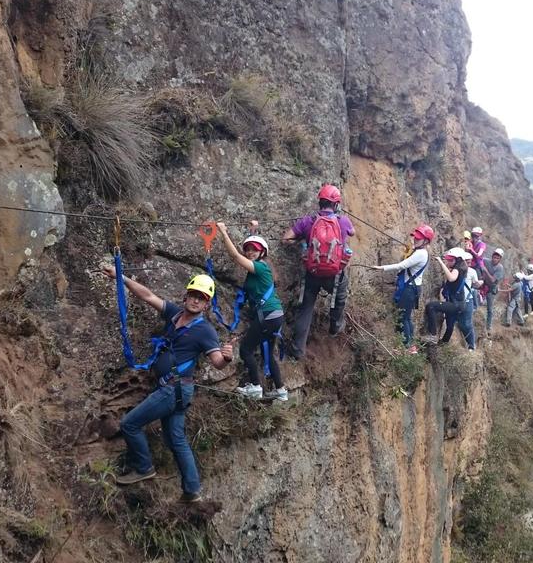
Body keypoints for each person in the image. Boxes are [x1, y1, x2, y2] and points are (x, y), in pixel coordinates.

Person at [101, 266, 234, 503]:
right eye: (193, 294)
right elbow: (148, 295)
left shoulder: (205, 331)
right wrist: (121, 277)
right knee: (176, 439)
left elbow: (217, 363)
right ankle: (192, 491)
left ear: (206, 305)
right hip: (176, 389)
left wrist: (226, 357)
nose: (195, 300)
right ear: (186, 296)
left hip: (173, 390)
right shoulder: (174, 314)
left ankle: (144, 468)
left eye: (201, 298)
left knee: (129, 424)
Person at [216, 221, 288, 402]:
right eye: (247, 249)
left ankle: (255, 387)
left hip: (268, 314)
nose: (250, 252)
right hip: (274, 315)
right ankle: (280, 390)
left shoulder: (261, 267)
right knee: (267, 353)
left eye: (254, 249)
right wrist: (253, 230)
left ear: (263, 252)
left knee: (246, 349)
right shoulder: (261, 267)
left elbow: (235, 257)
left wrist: (224, 232)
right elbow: (252, 249)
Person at [282, 184, 354, 359]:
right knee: (340, 296)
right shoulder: (343, 221)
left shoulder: (308, 221)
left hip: (313, 272)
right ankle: (335, 325)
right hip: (334, 274)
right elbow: (352, 232)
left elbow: (285, 238)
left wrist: (301, 240)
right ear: (336, 204)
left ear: (320, 202)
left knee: (306, 308)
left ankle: (298, 350)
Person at [368, 223, 434, 354]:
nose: (415, 239)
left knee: (402, 318)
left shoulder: (420, 254)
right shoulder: (420, 252)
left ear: (426, 241)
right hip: (413, 288)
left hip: (409, 289)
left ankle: (405, 346)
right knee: (407, 318)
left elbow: (401, 266)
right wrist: (410, 251)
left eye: (418, 238)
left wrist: (381, 268)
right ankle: (410, 345)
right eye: (415, 237)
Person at [422, 247, 475, 351]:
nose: (448, 261)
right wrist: (444, 261)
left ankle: (432, 335)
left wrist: (441, 263)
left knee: (431, 306)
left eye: (451, 260)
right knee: (450, 324)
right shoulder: (462, 267)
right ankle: (443, 343)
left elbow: (451, 278)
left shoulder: (457, 269)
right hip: (459, 304)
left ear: (457, 260)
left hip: (456, 304)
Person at [481, 248, 505, 332]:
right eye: (494, 257)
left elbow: (492, 280)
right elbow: (479, 259)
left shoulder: (500, 268)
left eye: (497, 258)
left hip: (491, 288)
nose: (495, 259)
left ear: (500, 259)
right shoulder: (486, 261)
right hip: (483, 285)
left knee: (490, 308)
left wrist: (485, 270)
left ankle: (489, 326)